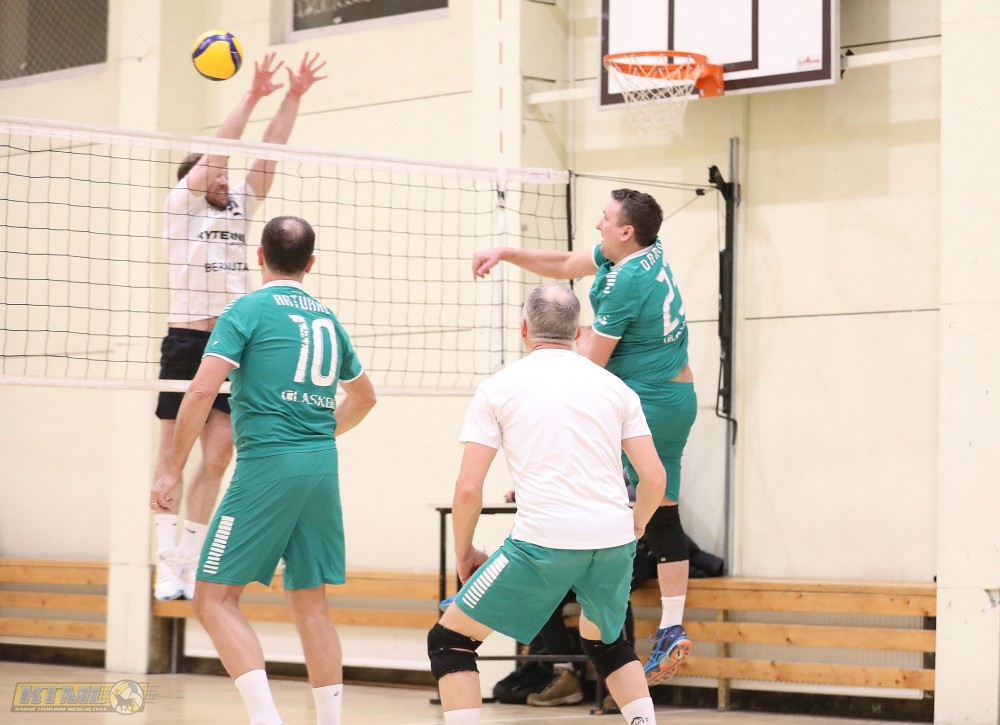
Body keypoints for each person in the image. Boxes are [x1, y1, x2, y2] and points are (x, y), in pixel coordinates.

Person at [150, 215, 376, 725]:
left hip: (267, 467)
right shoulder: (327, 319)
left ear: (259, 256)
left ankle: (266, 720)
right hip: (320, 468)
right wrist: (315, 434)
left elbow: (201, 390)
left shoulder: (246, 309)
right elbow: (365, 398)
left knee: (212, 600)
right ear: (310, 263)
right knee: (311, 604)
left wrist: (171, 471)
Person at [471, 188, 698, 686]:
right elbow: (566, 263)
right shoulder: (646, 252)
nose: (598, 224)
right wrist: (505, 252)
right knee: (665, 511)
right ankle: (671, 625)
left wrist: (556, 347)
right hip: (678, 397)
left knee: (588, 492)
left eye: (605, 218)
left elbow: (589, 366)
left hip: (649, 399)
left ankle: (496, 599)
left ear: (626, 231)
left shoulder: (627, 282)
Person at [428, 283, 667, 725]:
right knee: (606, 643)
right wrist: (635, 528)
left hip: (542, 543)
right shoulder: (616, 388)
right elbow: (654, 479)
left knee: (450, 641)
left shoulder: (498, 388)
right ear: (577, 331)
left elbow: (468, 490)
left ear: (524, 328)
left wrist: (464, 552)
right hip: (614, 541)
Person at [152, 52, 328, 601]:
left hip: (233, 343)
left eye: (228, 175)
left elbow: (269, 154)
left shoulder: (238, 208)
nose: (227, 179)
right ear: (198, 179)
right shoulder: (181, 208)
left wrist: (291, 96)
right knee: (171, 456)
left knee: (220, 455)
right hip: (187, 339)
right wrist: (250, 94)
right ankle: (165, 559)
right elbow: (220, 149)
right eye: (218, 173)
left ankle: (189, 557)